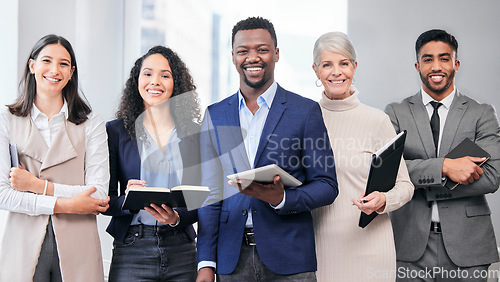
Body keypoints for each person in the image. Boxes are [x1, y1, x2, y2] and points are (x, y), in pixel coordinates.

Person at [196, 17, 338, 282]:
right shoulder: (215, 115)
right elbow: (209, 194)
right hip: (231, 260)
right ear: (233, 56)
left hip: (290, 259)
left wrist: (281, 199)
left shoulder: (305, 112)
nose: (253, 57)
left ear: (276, 54)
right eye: (243, 51)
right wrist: (205, 262)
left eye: (262, 49)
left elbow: (327, 185)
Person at [386, 29, 500, 281]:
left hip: (469, 245)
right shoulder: (396, 112)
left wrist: (421, 181)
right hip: (410, 245)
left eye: (444, 58)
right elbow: (391, 171)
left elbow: (492, 177)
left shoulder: (481, 113)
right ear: (417, 66)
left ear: (456, 64)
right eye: (428, 59)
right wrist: (445, 167)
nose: (436, 66)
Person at [0, 34, 110, 282]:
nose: (54, 70)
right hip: (22, 241)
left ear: (71, 72)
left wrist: (36, 186)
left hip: (78, 242)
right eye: (46, 60)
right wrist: (66, 204)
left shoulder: (92, 123)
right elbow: (3, 194)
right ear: (32, 66)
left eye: (63, 64)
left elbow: (99, 194)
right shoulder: (6, 120)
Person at [310, 31, 414, 281]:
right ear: (316, 70)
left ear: (354, 67)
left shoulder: (376, 120)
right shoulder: (306, 118)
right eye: (327, 64)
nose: (336, 72)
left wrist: (384, 200)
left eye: (344, 63)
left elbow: (405, 186)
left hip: (370, 247)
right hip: (318, 246)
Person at [102, 45, 202, 281]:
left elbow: (201, 198)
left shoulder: (194, 134)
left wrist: (176, 218)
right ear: (137, 81)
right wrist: (128, 199)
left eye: (164, 75)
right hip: (131, 248)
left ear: (175, 83)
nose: (155, 82)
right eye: (147, 74)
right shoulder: (115, 131)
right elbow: (103, 201)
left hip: (181, 249)